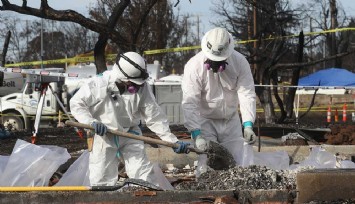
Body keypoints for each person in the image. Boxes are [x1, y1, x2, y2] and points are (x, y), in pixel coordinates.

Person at [70, 51, 190, 187]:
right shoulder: (98, 84)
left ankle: (145, 199)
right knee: (102, 178)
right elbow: (76, 104)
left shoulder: (142, 87)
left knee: (143, 174)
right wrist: (90, 122)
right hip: (103, 135)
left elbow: (154, 116)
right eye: (134, 83)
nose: (138, 87)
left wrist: (171, 140)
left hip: (130, 133)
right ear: (123, 78)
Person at [181, 27, 257, 177]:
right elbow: (190, 102)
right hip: (206, 121)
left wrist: (248, 124)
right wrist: (196, 133)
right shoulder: (194, 66)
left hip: (231, 120)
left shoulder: (240, 62)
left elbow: (246, 93)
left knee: (241, 163)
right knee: (206, 162)